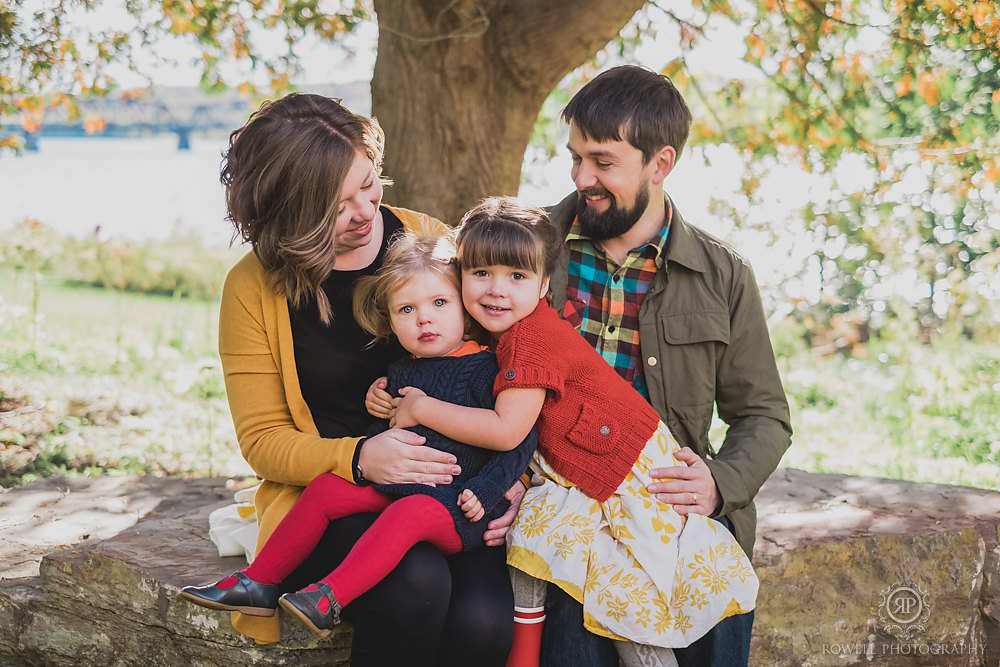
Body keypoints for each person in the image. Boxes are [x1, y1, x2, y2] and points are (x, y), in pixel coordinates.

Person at [194, 92, 518, 666]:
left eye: (368, 185)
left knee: (486, 622)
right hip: (343, 493)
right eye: (336, 205)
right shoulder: (253, 287)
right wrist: (361, 457)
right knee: (415, 586)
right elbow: (263, 441)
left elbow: (515, 366)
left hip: (460, 484)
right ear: (290, 211)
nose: (365, 211)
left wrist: (513, 481)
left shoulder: (432, 243)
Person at [387, 197, 759, 667]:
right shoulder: (505, 333)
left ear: (544, 286)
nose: (496, 290)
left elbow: (505, 431)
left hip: (626, 479)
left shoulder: (531, 340)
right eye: (481, 274)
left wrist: (422, 407)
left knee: (625, 597)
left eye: (516, 277)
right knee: (607, 588)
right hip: (604, 467)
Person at [514, 65, 794, 666]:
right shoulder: (522, 249)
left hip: (670, 514)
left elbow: (765, 416)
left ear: (660, 164)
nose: (581, 177)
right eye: (574, 158)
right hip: (554, 509)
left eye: (603, 161)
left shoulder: (724, 276)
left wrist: (720, 482)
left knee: (719, 617)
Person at [180, 233, 537, 639]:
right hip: (403, 485)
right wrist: (379, 415)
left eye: (439, 303)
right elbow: (389, 432)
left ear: (465, 308)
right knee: (328, 490)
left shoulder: (486, 368)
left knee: (408, 514)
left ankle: (328, 597)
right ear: (389, 319)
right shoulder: (402, 371)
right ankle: (257, 582)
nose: (425, 319)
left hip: (458, 506)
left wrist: (488, 491)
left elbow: (521, 440)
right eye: (407, 309)